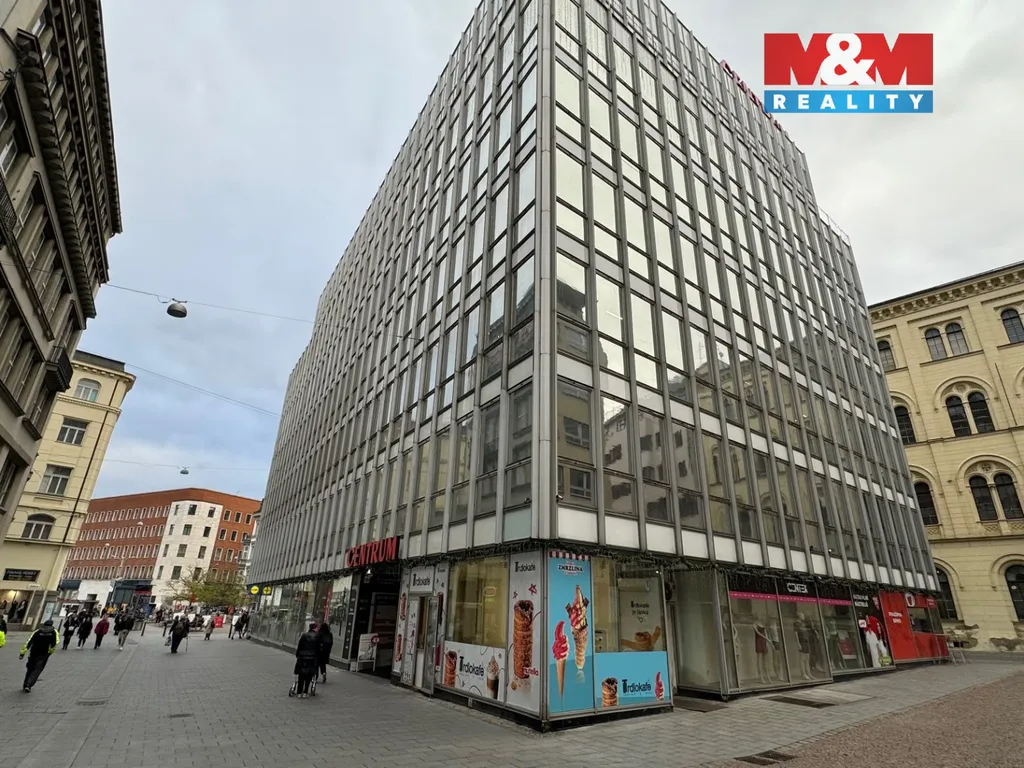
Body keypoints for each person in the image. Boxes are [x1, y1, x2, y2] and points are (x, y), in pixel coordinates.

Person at [19, 619, 58, 692]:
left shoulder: (38, 631)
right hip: (43, 654)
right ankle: (29, 684)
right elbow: (54, 644)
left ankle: (25, 684)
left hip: (33, 653)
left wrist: (22, 653)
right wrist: (49, 653)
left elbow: (28, 642)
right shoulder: (53, 632)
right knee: (37, 669)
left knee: (30, 669)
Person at [294, 623, 320, 699]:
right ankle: (305, 692)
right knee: (308, 676)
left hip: (302, 658)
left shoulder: (304, 636)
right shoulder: (317, 637)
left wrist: (298, 655)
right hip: (311, 658)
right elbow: (318, 649)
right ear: (315, 628)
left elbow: (300, 646)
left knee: (301, 675)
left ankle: (299, 692)